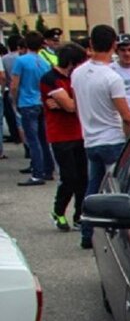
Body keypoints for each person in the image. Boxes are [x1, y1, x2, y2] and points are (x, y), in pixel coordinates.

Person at [73, 24, 130, 251]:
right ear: (113, 46)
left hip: (90, 139)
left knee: (93, 188)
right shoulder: (112, 77)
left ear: (90, 44)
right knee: (119, 190)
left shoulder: (78, 73)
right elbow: (126, 116)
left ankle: (86, 233)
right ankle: (121, 238)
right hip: (112, 139)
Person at [40, 42, 88, 230]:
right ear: (70, 63)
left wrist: (66, 104)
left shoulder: (75, 78)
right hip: (60, 135)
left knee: (83, 177)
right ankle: (58, 211)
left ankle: (79, 215)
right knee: (69, 177)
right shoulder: (50, 78)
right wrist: (70, 104)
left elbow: (72, 104)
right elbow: (70, 106)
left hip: (80, 132)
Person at [10, 31, 53, 186]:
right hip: (41, 101)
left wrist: (14, 100)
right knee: (43, 138)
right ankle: (48, 169)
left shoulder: (21, 61)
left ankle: (37, 173)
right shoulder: (44, 62)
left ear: (26, 44)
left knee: (32, 140)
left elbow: (14, 84)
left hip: (27, 103)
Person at [2, 37, 22, 147]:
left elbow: (4, 76)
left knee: (14, 117)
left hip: (11, 89)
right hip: (25, 90)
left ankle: (18, 138)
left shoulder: (4, 59)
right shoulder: (22, 57)